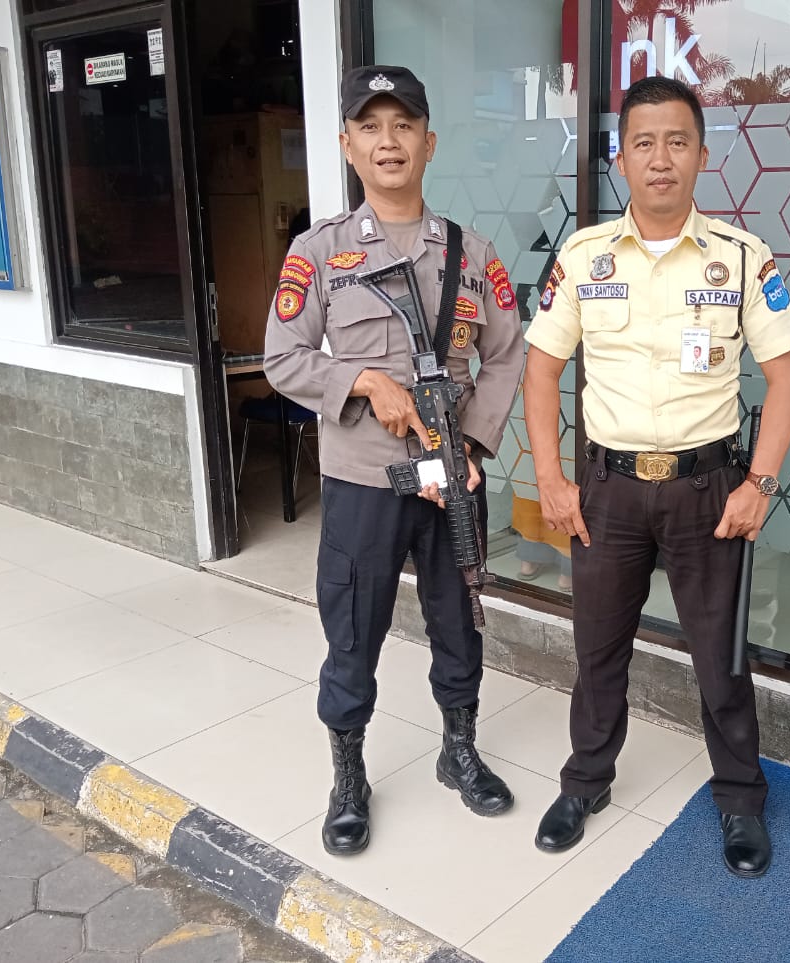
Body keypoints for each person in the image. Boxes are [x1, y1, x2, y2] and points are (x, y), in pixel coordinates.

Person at [523, 76, 790, 878]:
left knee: (721, 659)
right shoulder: (584, 256)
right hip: (607, 492)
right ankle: (585, 782)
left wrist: (760, 483)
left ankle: (741, 798)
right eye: (643, 143)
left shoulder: (741, 258)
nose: (660, 159)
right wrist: (551, 480)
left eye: (677, 141)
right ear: (620, 158)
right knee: (598, 651)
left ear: (701, 156)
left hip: (706, 492)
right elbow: (541, 371)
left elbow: (788, 374)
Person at [264, 65, 525, 855]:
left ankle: (458, 750)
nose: (389, 142)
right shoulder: (320, 252)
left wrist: (472, 443)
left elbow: (507, 354)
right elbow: (283, 357)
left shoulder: (472, 253)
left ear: (429, 142)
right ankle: (349, 777)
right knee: (352, 632)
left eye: (404, 125)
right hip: (363, 483)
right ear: (348, 144)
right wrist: (361, 381)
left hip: (454, 478)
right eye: (371, 127)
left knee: (460, 623)